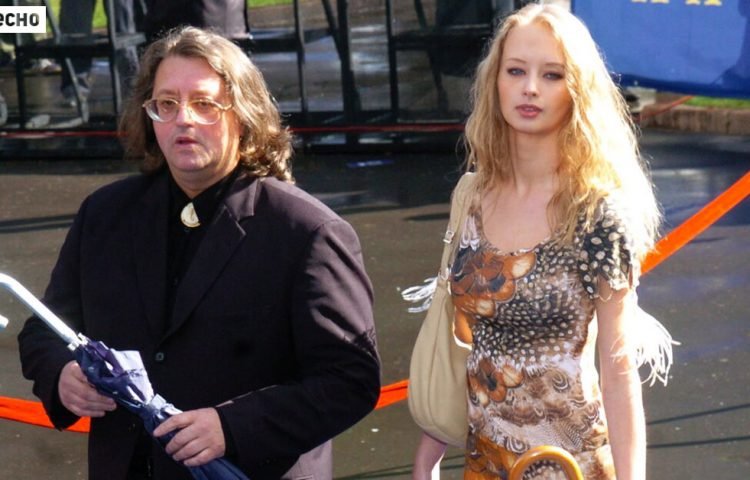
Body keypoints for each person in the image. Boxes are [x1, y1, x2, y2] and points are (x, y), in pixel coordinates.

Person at [18, 26, 381, 480]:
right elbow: (44, 329)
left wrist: (231, 426)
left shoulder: (308, 231)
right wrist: (62, 375)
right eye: (167, 104)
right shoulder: (105, 214)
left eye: (205, 104)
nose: (183, 119)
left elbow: (349, 380)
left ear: (243, 115)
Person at [407, 4, 674, 479]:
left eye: (552, 75)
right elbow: (460, 338)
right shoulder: (472, 196)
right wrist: (430, 449)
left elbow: (618, 371)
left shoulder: (597, 212)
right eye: (516, 71)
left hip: (572, 466)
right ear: (495, 81)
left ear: (577, 91)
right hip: (484, 462)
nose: (530, 87)